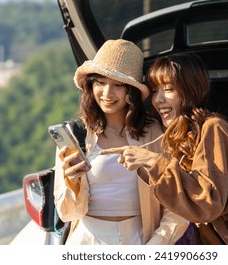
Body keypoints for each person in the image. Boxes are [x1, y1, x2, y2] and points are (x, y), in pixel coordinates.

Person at [100, 52, 228, 245]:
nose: (158, 99)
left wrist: (154, 162)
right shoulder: (175, 138)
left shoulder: (213, 128)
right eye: (154, 90)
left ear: (190, 90)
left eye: (168, 89)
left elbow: (207, 203)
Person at [53, 39, 188, 245]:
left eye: (118, 85)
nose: (107, 93)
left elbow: (177, 204)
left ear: (131, 91)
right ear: (91, 85)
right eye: (100, 83)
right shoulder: (76, 134)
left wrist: (155, 247)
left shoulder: (155, 132)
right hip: (86, 242)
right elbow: (68, 214)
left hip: (140, 239)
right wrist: (71, 183)